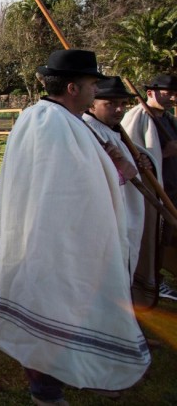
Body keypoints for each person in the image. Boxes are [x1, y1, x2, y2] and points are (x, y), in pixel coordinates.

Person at [0, 49, 150, 405]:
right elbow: (69, 187)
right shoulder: (48, 123)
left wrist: (115, 163)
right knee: (52, 307)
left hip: (63, 237)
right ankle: (44, 389)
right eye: (92, 83)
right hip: (50, 239)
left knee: (68, 307)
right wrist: (117, 173)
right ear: (73, 88)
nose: (97, 90)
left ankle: (70, 372)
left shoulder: (64, 120)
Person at [83, 76, 157, 306]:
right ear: (91, 104)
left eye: (123, 104)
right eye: (111, 104)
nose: (119, 110)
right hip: (108, 218)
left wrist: (145, 161)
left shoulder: (114, 131)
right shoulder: (88, 131)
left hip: (129, 213)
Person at [121, 73, 177, 302]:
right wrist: (165, 153)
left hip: (172, 187)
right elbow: (133, 158)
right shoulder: (138, 117)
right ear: (151, 92)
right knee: (151, 236)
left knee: (168, 236)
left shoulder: (169, 119)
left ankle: (161, 274)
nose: (173, 97)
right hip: (153, 192)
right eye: (169, 92)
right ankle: (151, 278)